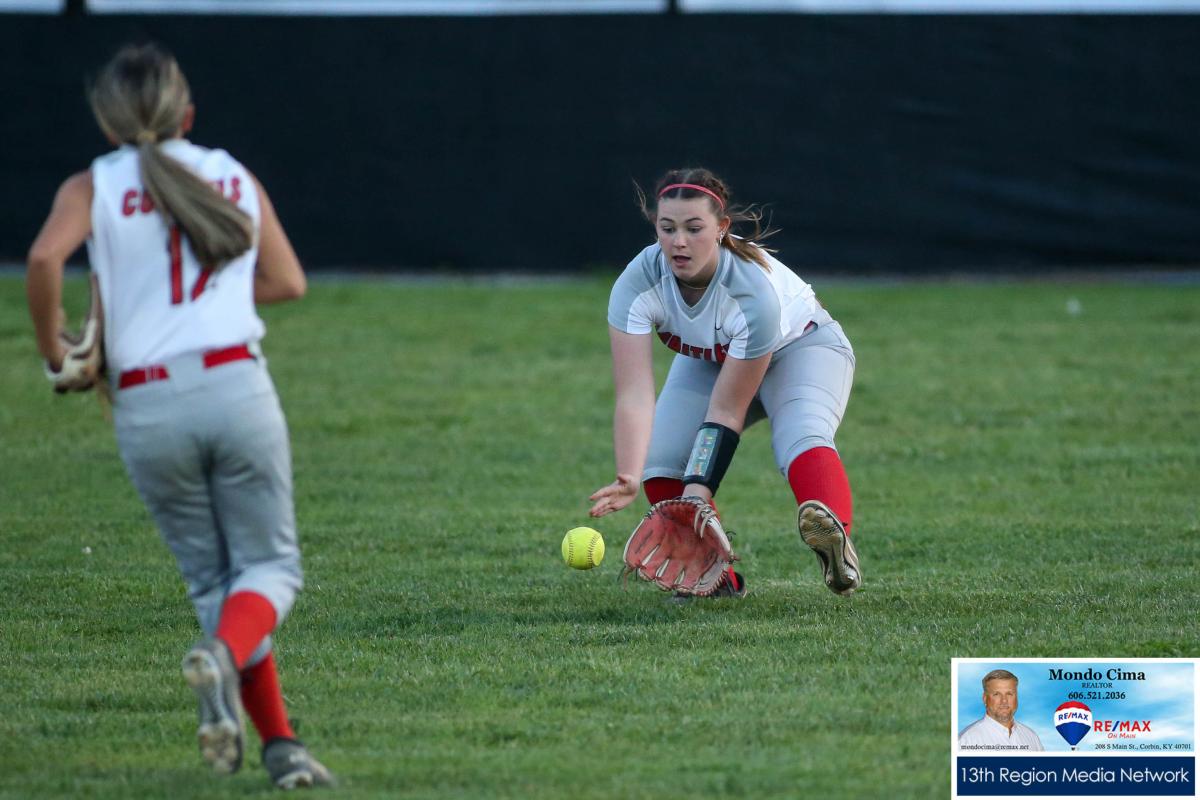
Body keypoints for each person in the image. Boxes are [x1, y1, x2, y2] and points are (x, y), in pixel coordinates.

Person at [25, 43, 334, 789]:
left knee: (214, 585)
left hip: (146, 403)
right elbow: (288, 282)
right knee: (270, 571)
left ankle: (281, 747)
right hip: (233, 386)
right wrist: (210, 302)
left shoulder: (93, 184)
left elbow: (42, 261)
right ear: (186, 115)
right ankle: (226, 663)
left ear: (108, 126)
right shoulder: (228, 173)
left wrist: (55, 350)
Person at [588, 167, 861, 599]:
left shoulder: (752, 294)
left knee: (800, 435)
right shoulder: (638, 282)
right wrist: (629, 473)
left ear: (721, 228)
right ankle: (718, 583)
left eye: (694, 228)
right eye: (667, 228)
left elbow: (726, 412)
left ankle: (835, 539)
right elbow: (635, 394)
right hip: (713, 356)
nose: (679, 241)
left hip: (801, 348)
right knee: (661, 464)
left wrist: (697, 495)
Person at [958, 669, 1045, 750]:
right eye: (996, 694)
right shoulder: (966, 740)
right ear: (985, 698)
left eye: (1009, 694)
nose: (1004, 700)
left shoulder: (1031, 737)